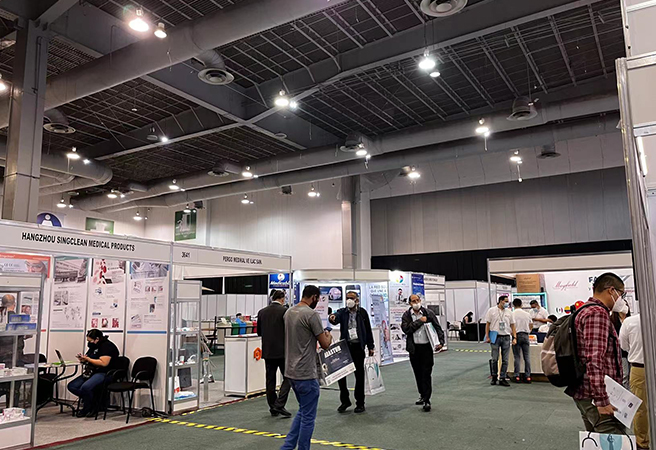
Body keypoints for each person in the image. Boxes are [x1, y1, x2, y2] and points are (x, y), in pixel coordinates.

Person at [565, 273, 626, 434]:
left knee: (596, 440)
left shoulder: (585, 310)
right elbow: (594, 359)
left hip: (586, 390)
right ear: (611, 290)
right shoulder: (597, 313)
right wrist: (601, 399)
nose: (621, 299)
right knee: (614, 438)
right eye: (621, 294)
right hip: (595, 395)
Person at [281, 285, 332, 450]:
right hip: (306, 373)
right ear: (314, 297)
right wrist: (329, 335)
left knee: (303, 411)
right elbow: (325, 344)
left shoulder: (289, 312)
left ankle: (287, 447)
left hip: (291, 372)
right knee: (308, 418)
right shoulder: (312, 315)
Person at [329, 291, 375, 413]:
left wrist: (371, 346)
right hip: (345, 348)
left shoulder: (362, 313)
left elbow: (368, 330)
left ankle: (360, 403)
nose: (349, 300)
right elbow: (335, 318)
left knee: (359, 376)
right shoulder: (342, 312)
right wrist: (331, 317)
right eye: (347, 298)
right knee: (341, 375)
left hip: (358, 347)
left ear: (357, 300)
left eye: (351, 298)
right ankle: (345, 401)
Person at [401, 294, 444, 412]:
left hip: (426, 348)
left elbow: (438, 328)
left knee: (426, 374)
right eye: (413, 301)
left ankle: (427, 400)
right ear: (410, 303)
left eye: (418, 300)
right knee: (418, 374)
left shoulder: (428, 313)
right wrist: (419, 321)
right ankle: (422, 394)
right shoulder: (406, 315)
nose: (416, 302)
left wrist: (441, 342)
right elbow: (406, 329)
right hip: (414, 349)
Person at [67, 329, 119, 417]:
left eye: (90, 340)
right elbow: (89, 357)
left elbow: (104, 363)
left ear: (97, 339)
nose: (89, 343)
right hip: (91, 371)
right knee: (72, 386)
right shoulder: (93, 346)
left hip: (105, 372)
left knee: (86, 387)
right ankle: (94, 401)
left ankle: (88, 408)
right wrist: (83, 359)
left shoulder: (107, 346)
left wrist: (88, 359)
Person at [257, 290, 292, 418]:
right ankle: (279, 403)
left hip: (268, 351)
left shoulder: (262, 312)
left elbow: (259, 332)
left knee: (270, 380)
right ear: (282, 299)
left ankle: (273, 406)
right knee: (288, 377)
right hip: (283, 351)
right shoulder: (285, 312)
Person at [619, 313, 649, 449]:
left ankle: (642, 444)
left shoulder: (630, 322)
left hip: (639, 366)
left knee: (640, 408)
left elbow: (624, 345)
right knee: (641, 408)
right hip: (640, 366)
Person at [484, 295, 517, 387]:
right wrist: (487, 336)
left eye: (507, 301)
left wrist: (515, 337)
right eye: (505, 301)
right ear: (500, 301)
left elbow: (512, 325)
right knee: (494, 358)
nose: (507, 303)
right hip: (495, 336)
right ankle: (494, 377)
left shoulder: (509, 312)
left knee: (505, 359)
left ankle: (502, 377)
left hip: (506, 337)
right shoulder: (491, 311)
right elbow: (488, 324)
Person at [511, 298, 532, 383]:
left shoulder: (512, 314)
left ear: (513, 305)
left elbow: (511, 326)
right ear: (521, 304)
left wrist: (513, 336)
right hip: (526, 335)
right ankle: (528, 376)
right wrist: (528, 331)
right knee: (527, 357)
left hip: (516, 335)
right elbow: (531, 324)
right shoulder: (527, 314)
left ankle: (517, 376)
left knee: (517, 357)